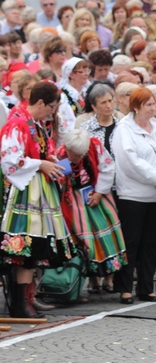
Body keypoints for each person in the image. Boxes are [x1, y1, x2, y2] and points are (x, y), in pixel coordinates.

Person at [0, 82, 73, 318]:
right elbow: (9, 160)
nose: (53, 112)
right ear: (40, 103)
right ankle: (19, 303)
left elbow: (42, 152)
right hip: (24, 193)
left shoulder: (38, 125)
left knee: (33, 249)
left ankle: (26, 301)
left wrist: (49, 159)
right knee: (23, 247)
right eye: (51, 106)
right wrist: (40, 164)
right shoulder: (18, 124)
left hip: (39, 193)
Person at [112, 87, 156, 304]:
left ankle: (147, 287)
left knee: (152, 242)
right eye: (148, 105)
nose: (154, 108)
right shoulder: (124, 129)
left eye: (155, 104)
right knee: (131, 243)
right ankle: (125, 288)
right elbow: (130, 161)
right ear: (136, 107)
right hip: (132, 195)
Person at [57, 129, 126, 297]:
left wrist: (99, 192)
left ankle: (109, 278)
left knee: (108, 236)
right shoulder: (60, 155)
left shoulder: (95, 146)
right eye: (74, 155)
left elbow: (108, 168)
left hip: (96, 193)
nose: (77, 159)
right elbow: (60, 180)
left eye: (81, 155)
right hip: (74, 199)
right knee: (84, 239)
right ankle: (92, 280)